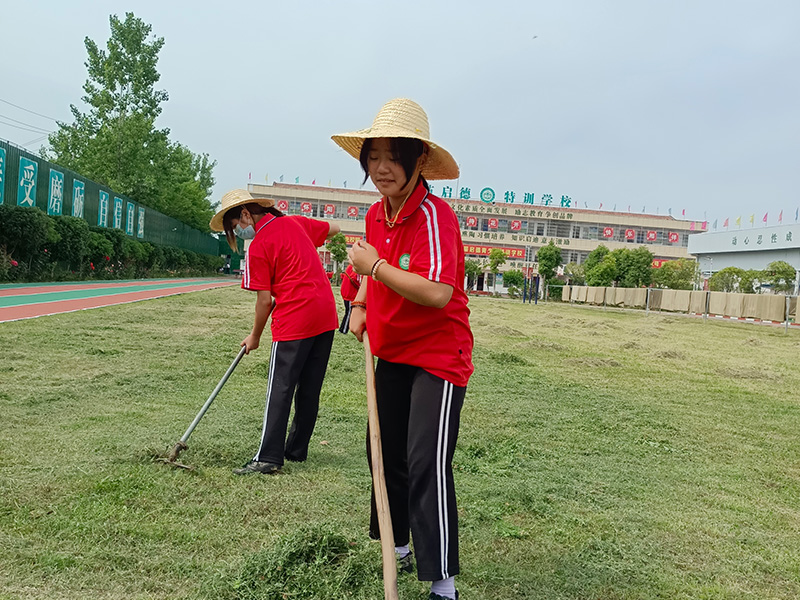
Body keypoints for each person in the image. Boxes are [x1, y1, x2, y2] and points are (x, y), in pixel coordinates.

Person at [332, 98, 474, 600]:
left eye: (394, 157)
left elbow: (437, 293)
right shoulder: (376, 215)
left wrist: (374, 269)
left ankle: (442, 583)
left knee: (424, 460)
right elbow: (368, 276)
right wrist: (359, 304)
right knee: (384, 452)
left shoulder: (435, 217)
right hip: (390, 352)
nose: (382, 168)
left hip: (437, 356)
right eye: (373, 157)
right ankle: (397, 545)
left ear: (419, 160)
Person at [210, 189, 340, 475]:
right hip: (325, 313)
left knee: (280, 388)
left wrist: (254, 336)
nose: (238, 231)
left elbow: (264, 301)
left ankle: (268, 457)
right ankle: (296, 450)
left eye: (235, 225)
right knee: (309, 388)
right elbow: (335, 227)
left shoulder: (259, 245)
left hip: (296, 318)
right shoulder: (295, 222)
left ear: (246, 214)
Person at [338, 262, 362, 334]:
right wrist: (360, 287)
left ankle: (343, 329)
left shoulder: (350, 266)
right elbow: (354, 278)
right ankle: (344, 330)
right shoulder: (355, 266)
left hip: (347, 292)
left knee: (348, 312)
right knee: (349, 312)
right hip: (350, 293)